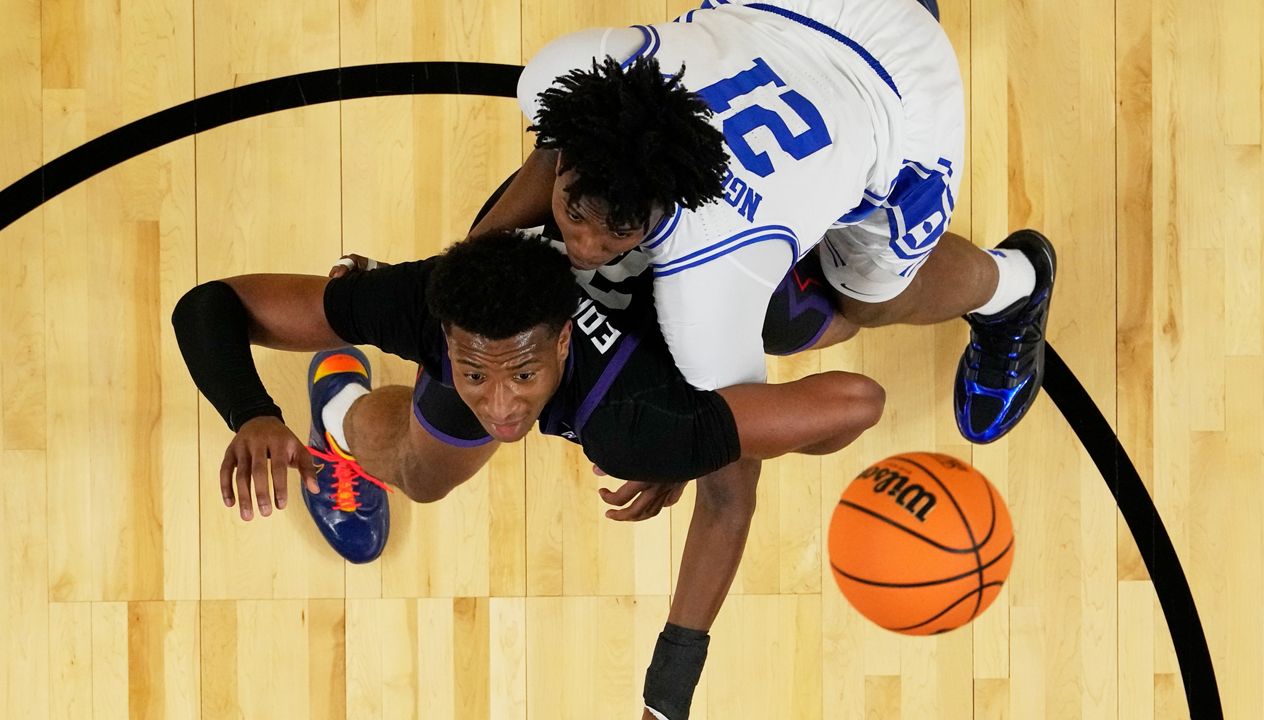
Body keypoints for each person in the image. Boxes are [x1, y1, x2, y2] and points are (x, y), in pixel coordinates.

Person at [172, 229, 882, 718]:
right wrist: (252, 414)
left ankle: (986, 285)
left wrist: (707, 440)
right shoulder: (426, 300)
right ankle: (339, 409)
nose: (501, 407)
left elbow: (856, 404)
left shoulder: (632, 419)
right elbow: (212, 305)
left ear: (564, 340)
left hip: (670, 338)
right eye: (474, 372)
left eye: (521, 375)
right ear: (445, 332)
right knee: (422, 475)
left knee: (844, 313)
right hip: (551, 312)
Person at [471, 0, 1057, 448]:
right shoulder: (567, 73)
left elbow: (748, 426)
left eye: (616, 235)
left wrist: (679, 456)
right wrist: (473, 258)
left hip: (897, 84)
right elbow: (557, 141)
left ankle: (1018, 285)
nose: (585, 248)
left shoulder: (706, 279)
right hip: (782, 14)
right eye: (576, 216)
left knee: (863, 304)